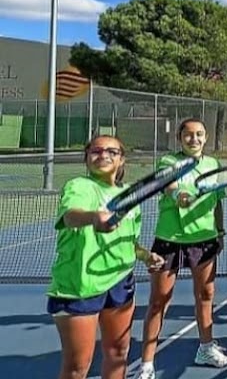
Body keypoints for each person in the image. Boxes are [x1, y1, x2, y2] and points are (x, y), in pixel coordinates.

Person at [48, 135, 163, 379]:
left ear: (122, 160)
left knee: (118, 351)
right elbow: (70, 216)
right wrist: (93, 218)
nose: (103, 155)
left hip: (120, 282)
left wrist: (146, 256)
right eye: (96, 151)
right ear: (87, 158)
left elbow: (128, 244)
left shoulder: (130, 197)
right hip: (80, 286)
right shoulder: (79, 186)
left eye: (112, 151)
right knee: (77, 367)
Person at [137, 119, 227, 379]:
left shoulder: (212, 165)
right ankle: (147, 364)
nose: (194, 139)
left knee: (206, 294)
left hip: (205, 239)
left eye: (199, 134)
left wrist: (220, 231)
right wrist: (179, 194)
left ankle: (205, 348)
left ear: (206, 137)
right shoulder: (169, 161)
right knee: (159, 301)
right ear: (180, 137)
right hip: (170, 239)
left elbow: (217, 201)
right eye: (188, 135)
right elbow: (170, 185)